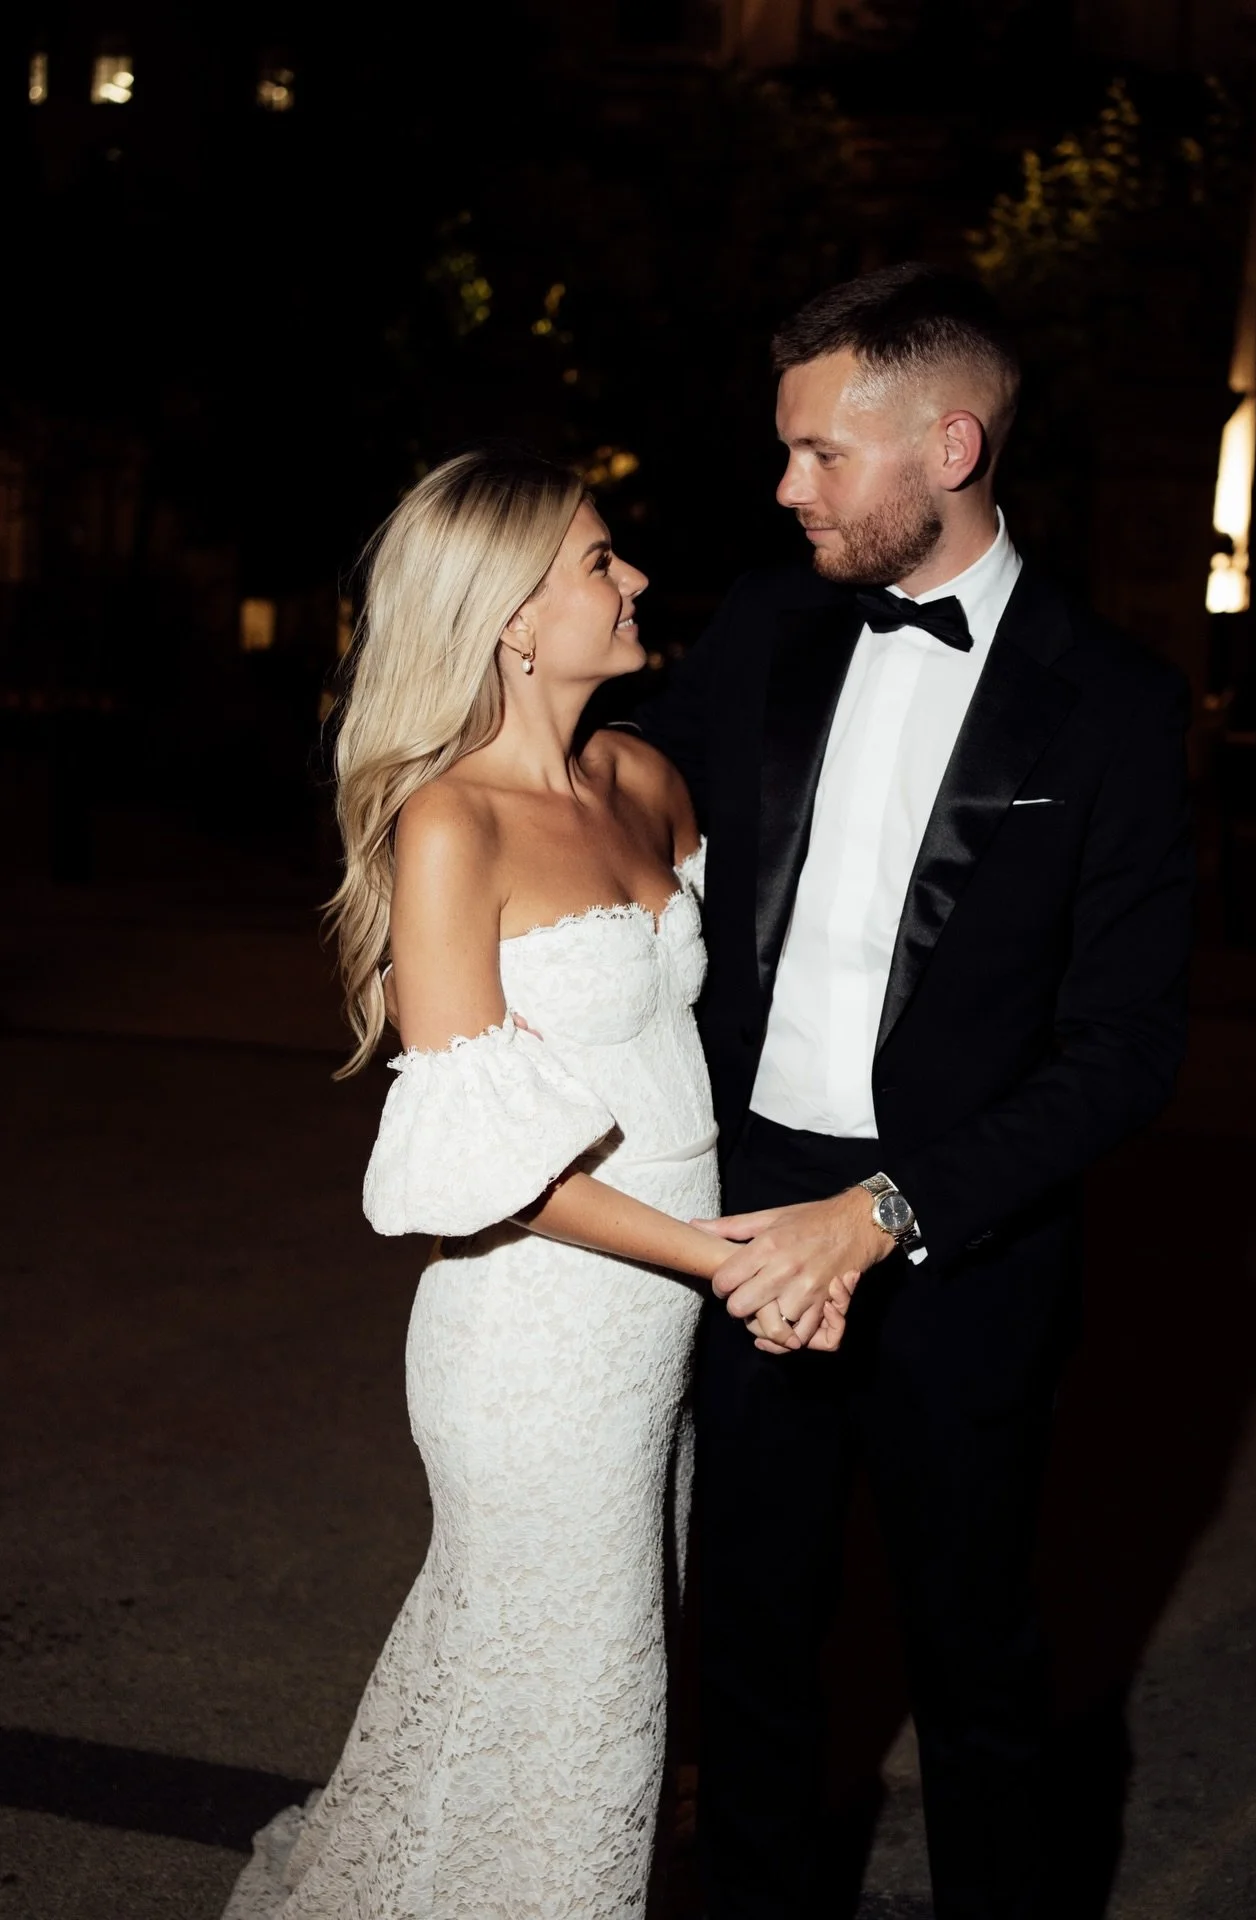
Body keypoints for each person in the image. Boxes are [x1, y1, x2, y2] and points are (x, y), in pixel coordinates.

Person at [222, 446, 855, 1920]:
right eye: (596, 559)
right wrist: (730, 1262)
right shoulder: (451, 825)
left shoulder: (641, 776)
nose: (632, 578)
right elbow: (488, 1165)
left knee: (579, 1699)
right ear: (511, 615)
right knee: (588, 1724)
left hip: (659, 1334)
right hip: (533, 1340)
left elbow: (717, 1042)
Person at [633, 263, 1194, 1918]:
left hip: (966, 1239)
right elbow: (605, 808)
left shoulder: (1115, 706)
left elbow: (1126, 1049)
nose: (786, 486)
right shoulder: (763, 626)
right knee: (746, 1651)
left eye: (821, 454)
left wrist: (887, 1214)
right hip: (744, 1223)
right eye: (787, 451)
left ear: (949, 444)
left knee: (979, 1667)